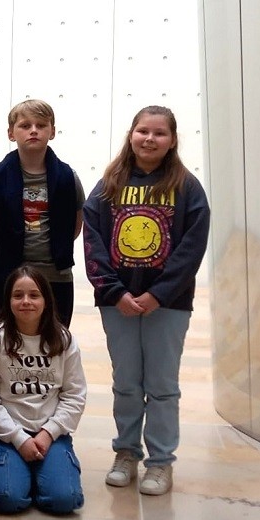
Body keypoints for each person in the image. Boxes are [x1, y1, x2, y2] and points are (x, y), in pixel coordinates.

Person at [83, 105, 210, 496]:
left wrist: (159, 294)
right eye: (143, 131)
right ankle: (125, 453)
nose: (149, 139)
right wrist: (115, 292)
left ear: (172, 140)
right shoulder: (109, 185)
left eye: (159, 133)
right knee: (125, 383)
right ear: (131, 134)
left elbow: (191, 248)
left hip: (166, 306)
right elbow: (93, 241)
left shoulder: (187, 188)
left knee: (162, 385)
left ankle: (160, 463)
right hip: (117, 303)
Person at [0, 267, 86, 514]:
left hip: (50, 433)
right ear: (8, 300)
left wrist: (48, 433)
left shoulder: (64, 341)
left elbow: (74, 395)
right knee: (6, 499)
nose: (26, 301)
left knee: (65, 501)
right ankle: (24, 475)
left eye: (34, 295)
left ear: (46, 300)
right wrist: (19, 439)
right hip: (7, 434)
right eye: (18, 295)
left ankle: (41, 474)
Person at [0, 100, 85, 326]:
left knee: (56, 343)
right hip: (9, 274)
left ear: (52, 132)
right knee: (8, 343)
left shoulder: (68, 177)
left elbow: (75, 226)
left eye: (41, 125)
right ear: (11, 133)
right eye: (25, 125)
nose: (33, 130)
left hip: (56, 275)